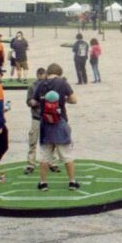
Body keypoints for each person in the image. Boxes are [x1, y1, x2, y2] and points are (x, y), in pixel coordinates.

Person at [33, 62, 79, 191]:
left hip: (45, 123)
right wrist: (63, 100)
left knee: (45, 156)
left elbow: (34, 101)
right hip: (60, 122)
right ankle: (72, 182)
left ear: (48, 72)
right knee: (66, 155)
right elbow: (74, 100)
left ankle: (43, 183)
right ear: (59, 73)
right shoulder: (62, 83)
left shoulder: (40, 83)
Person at [24, 67, 47, 175]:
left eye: (44, 75)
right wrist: (34, 103)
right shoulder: (32, 86)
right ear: (37, 75)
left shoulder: (48, 85)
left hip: (47, 117)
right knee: (33, 141)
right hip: (36, 117)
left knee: (49, 142)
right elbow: (28, 101)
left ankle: (51, 162)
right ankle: (31, 164)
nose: (42, 77)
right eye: (40, 75)